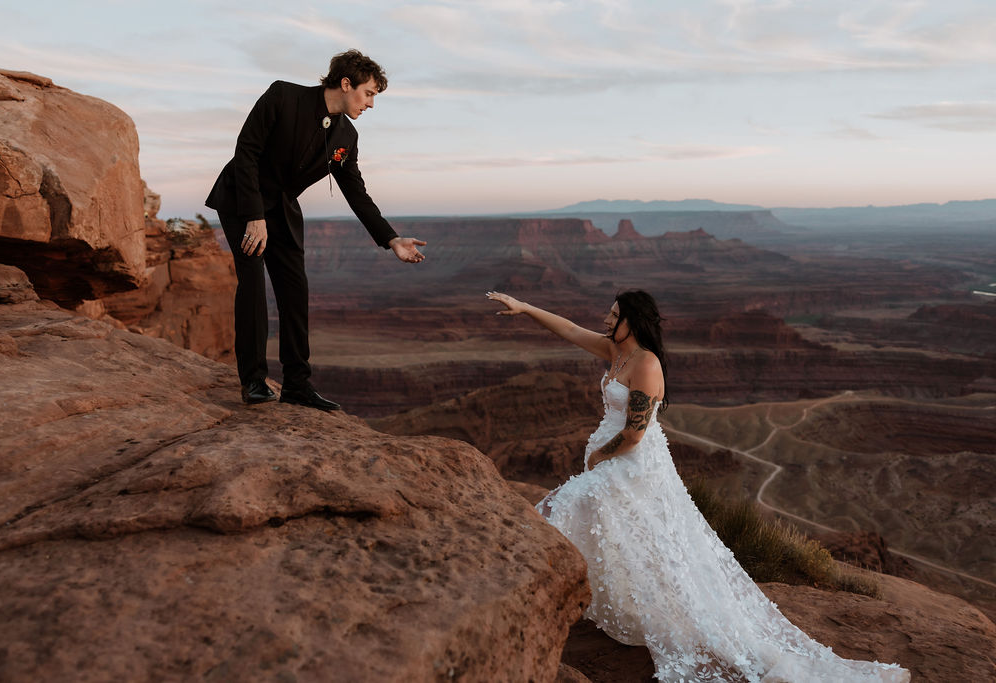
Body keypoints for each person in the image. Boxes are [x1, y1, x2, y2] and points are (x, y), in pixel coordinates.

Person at [486, 290, 909, 682]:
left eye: (614, 315)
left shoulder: (646, 365)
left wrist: (599, 456)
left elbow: (635, 433)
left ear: (633, 322)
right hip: (614, 460)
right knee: (622, 533)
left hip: (630, 464)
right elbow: (571, 330)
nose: (605, 319)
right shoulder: (615, 350)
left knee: (569, 506)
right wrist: (525, 308)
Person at [206, 49, 426, 410]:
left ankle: (296, 385)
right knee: (252, 284)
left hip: (282, 208)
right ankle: (253, 382)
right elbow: (245, 152)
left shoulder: (346, 138)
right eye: (368, 93)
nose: (370, 104)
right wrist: (254, 215)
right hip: (242, 201)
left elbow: (356, 192)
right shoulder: (282, 96)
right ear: (345, 83)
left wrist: (391, 238)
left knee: (295, 289)